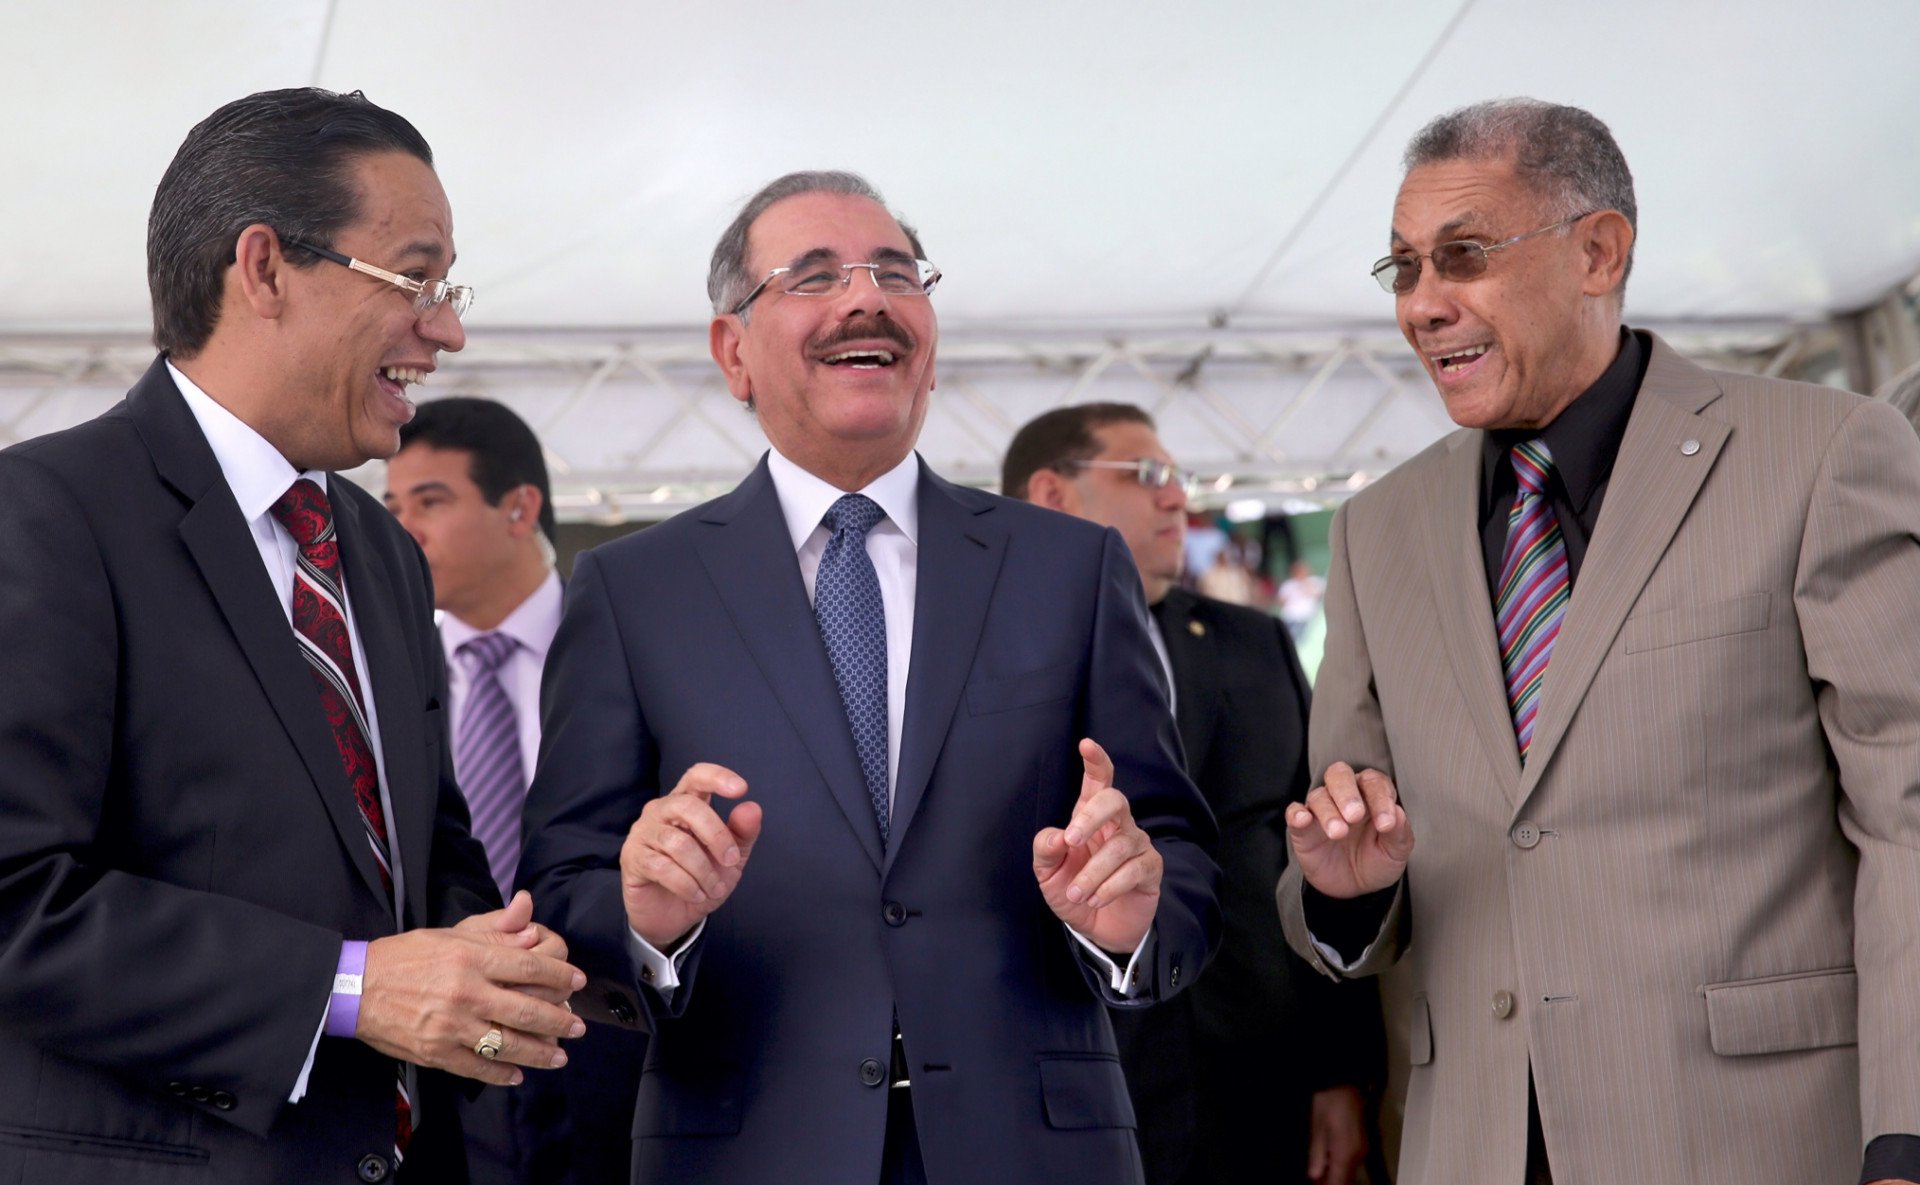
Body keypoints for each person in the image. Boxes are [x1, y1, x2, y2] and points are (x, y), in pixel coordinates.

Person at [518, 170, 1221, 1185]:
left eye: (897, 272)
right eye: (815, 276)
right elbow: (561, 885)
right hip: (745, 1153)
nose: (866, 298)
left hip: (1032, 1153)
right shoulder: (634, 590)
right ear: (732, 351)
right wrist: (646, 920)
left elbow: (1179, 853)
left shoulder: (1068, 567)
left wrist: (1129, 923)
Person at [1276, 97, 1920, 1185]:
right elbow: (1347, 869)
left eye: (1463, 256)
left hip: (1760, 1144)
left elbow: (1907, 824)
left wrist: (1904, 1141)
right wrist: (1346, 891)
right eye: (1403, 269)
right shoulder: (1373, 530)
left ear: (1598, 252)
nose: (1423, 305)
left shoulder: (1822, 453)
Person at [0, 89, 586, 1185]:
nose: (447, 329)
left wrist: (506, 958)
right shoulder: (42, 515)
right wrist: (350, 987)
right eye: (416, 279)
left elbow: (427, 851)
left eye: (448, 291)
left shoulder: (379, 549)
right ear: (264, 268)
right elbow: (13, 899)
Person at [1008, 403, 1380, 1185]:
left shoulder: (1255, 641)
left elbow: (1320, 854)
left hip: (1257, 1089)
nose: (1176, 496)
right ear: (1051, 494)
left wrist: (1340, 1070)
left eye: (1180, 476)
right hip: (1062, 1096)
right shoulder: (977, 659)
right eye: (1147, 474)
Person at [387, 397, 647, 1185]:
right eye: (392, 506)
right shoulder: (382, 678)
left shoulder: (638, 649)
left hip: (619, 1041)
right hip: (447, 1053)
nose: (402, 528)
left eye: (430, 501)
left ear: (519, 508)